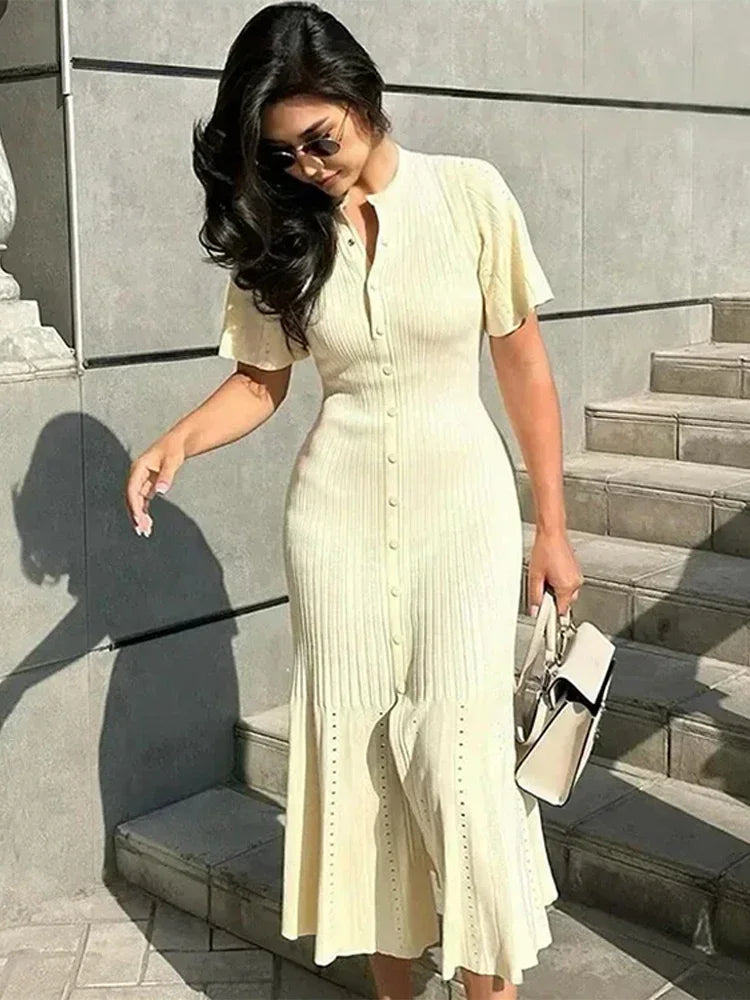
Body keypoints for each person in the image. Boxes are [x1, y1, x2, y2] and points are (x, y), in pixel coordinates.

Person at [124, 3, 584, 998]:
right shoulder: (287, 235)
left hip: (463, 513)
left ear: (359, 95)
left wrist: (551, 526)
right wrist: (177, 440)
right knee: (368, 776)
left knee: (458, 766)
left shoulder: (470, 195)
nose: (305, 166)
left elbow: (525, 368)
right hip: (333, 523)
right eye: (283, 154)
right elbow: (261, 381)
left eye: (318, 140)